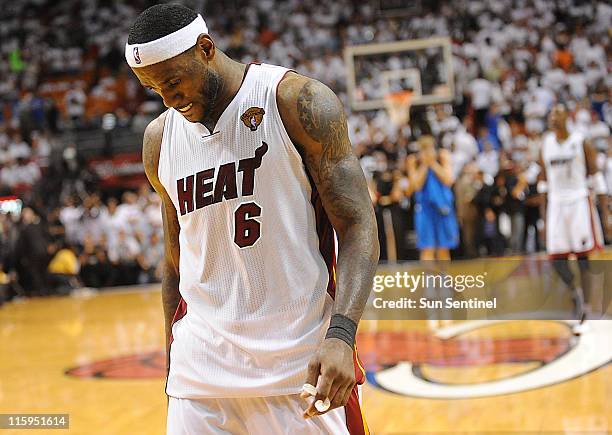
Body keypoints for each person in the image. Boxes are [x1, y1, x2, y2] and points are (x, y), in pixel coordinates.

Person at [125, 5, 378, 434]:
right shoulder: (160, 139)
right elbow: (174, 263)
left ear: (206, 49)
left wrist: (342, 335)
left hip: (298, 367)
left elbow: (357, 226)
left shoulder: (296, 101)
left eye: (172, 81)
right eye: (154, 89)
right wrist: (174, 366)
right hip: (200, 374)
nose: (168, 99)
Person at [539, 104, 610, 333]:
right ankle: (576, 293)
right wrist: (543, 219)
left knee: (583, 259)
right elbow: (542, 182)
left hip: (579, 201)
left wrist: (606, 216)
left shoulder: (581, 141)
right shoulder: (546, 144)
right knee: (556, 260)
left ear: (567, 117)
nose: (552, 116)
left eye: (557, 113)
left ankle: (586, 309)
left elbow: (596, 177)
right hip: (556, 204)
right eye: (551, 113)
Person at [407, 135, 459, 260]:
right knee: (427, 248)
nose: (427, 152)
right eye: (423, 150)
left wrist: (433, 164)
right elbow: (416, 186)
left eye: (429, 149)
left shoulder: (442, 157)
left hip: (443, 208)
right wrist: (425, 165)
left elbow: (449, 180)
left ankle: (443, 279)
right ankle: (428, 279)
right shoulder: (413, 160)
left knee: (443, 248)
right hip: (424, 210)